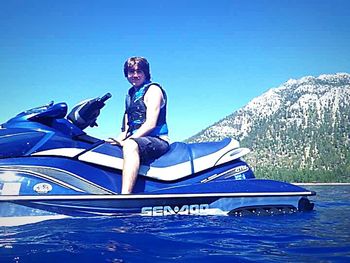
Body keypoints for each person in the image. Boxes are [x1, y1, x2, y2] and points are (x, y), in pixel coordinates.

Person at [109, 57, 170, 194]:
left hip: (158, 140)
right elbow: (126, 128)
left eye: (139, 71)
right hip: (138, 138)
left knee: (130, 145)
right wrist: (118, 140)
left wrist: (128, 141)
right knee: (105, 146)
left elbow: (150, 124)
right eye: (131, 72)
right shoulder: (130, 94)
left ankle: (125, 196)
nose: (135, 75)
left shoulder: (153, 90)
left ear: (146, 73)